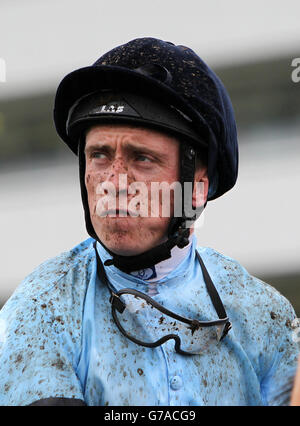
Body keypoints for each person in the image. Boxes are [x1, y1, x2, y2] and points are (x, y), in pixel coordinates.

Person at [0, 37, 298, 406]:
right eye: (99, 155)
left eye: (142, 158)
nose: (114, 182)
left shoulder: (266, 314)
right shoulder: (41, 305)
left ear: (196, 189)